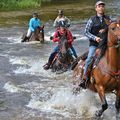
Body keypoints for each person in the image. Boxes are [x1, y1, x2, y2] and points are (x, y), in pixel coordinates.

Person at [79, 1, 111, 89]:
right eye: (99, 6)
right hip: (94, 45)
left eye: (102, 6)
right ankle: (84, 78)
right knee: (90, 57)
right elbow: (86, 32)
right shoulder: (92, 19)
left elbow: (112, 29)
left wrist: (105, 30)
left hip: (106, 44)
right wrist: (95, 38)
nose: (101, 8)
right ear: (96, 8)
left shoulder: (108, 19)